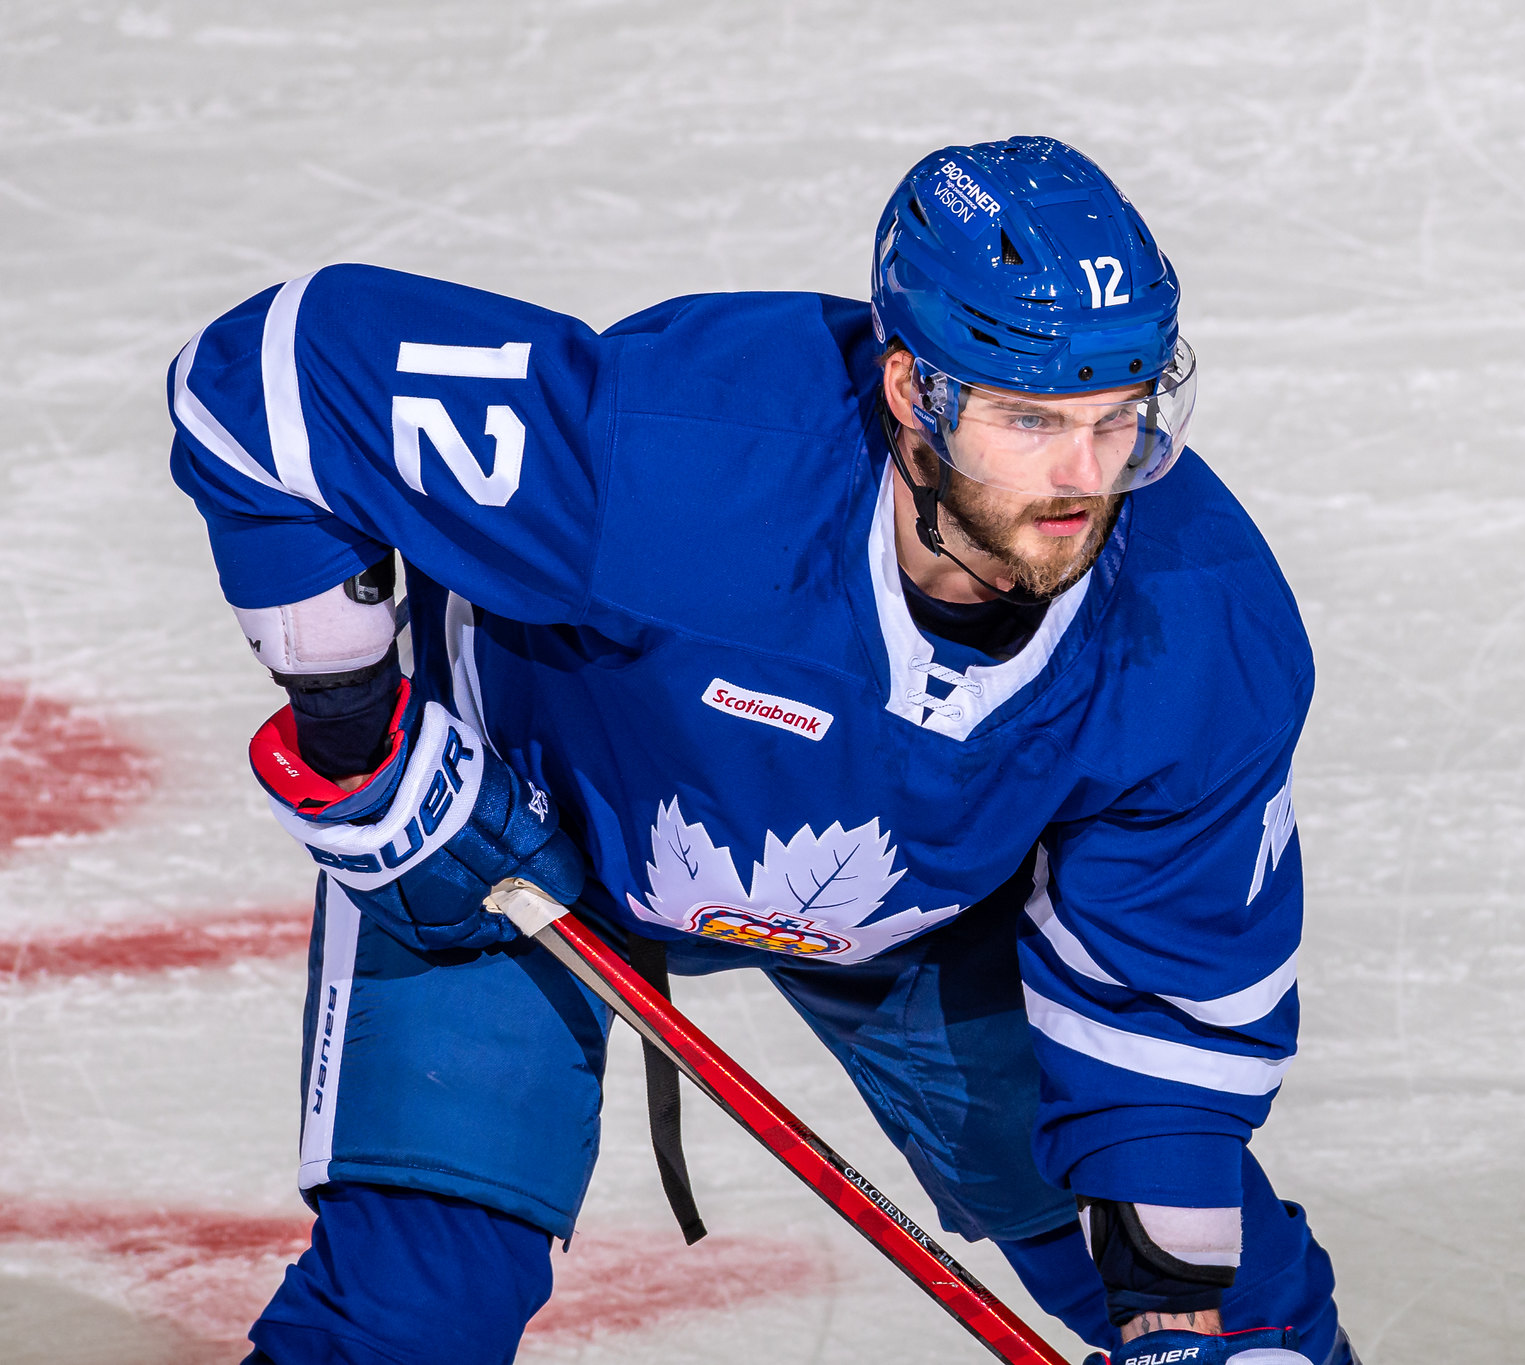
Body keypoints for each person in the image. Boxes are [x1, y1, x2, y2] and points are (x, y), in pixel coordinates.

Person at [168, 135, 1345, 1365]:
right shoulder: (669, 458)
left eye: (1117, 420)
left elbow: (1158, 1002)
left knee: (1245, 1309)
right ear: (909, 392)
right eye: (1029, 420)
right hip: (509, 836)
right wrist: (357, 735)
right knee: (412, 1313)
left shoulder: (1195, 623)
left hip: (915, 907)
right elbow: (267, 378)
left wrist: (1175, 1321)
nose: (1083, 480)